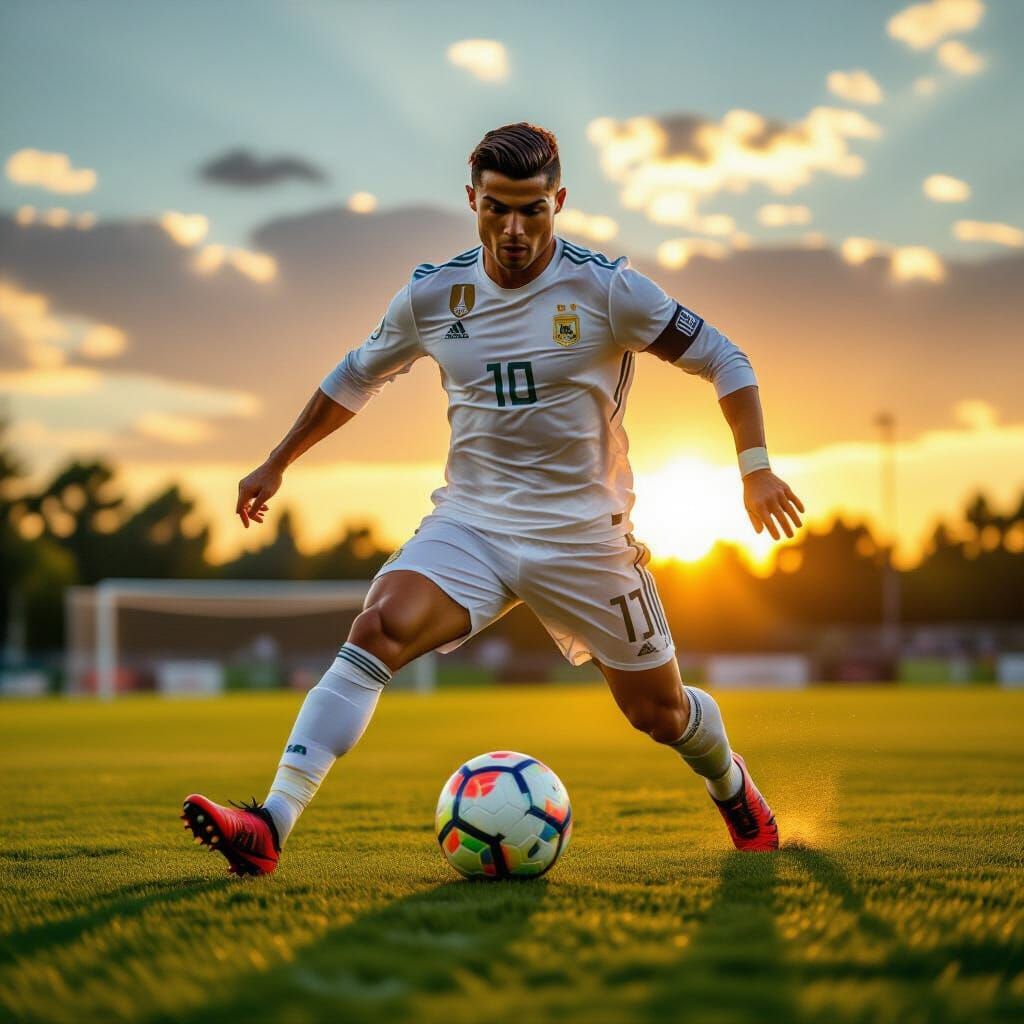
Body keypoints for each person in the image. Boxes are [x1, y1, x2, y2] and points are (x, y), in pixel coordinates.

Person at [181, 123, 805, 876]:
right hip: (472, 526)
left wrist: (756, 468)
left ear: (559, 202)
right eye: (496, 209)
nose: (513, 230)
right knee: (378, 627)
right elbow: (355, 376)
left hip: (585, 541)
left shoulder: (609, 291)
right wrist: (277, 461)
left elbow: (724, 358)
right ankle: (269, 823)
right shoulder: (433, 296)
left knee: (661, 716)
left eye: (532, 211)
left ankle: (732, 787)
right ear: (472, 200)